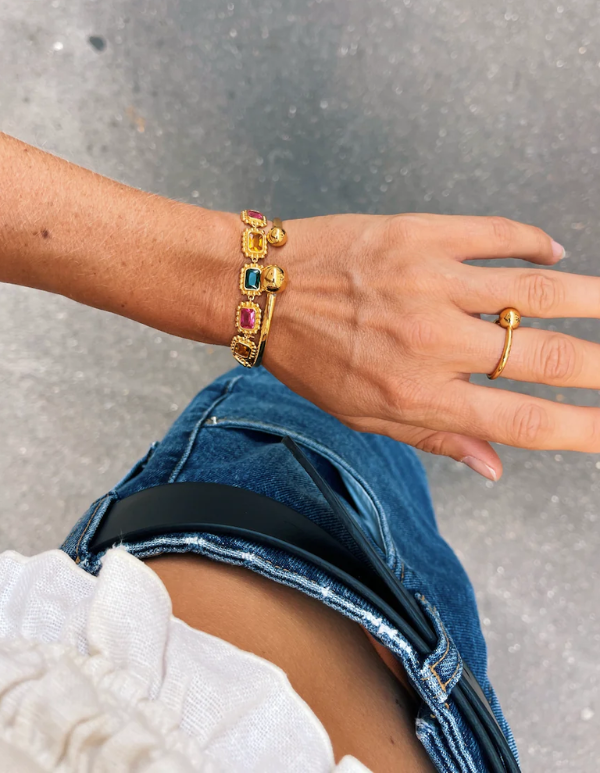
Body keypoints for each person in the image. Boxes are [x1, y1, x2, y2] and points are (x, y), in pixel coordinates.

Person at [0, 129, 595, 772]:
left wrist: (255, 290)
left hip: (267, 512)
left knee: (373, 409)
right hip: (463, 740)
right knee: (393, 417)